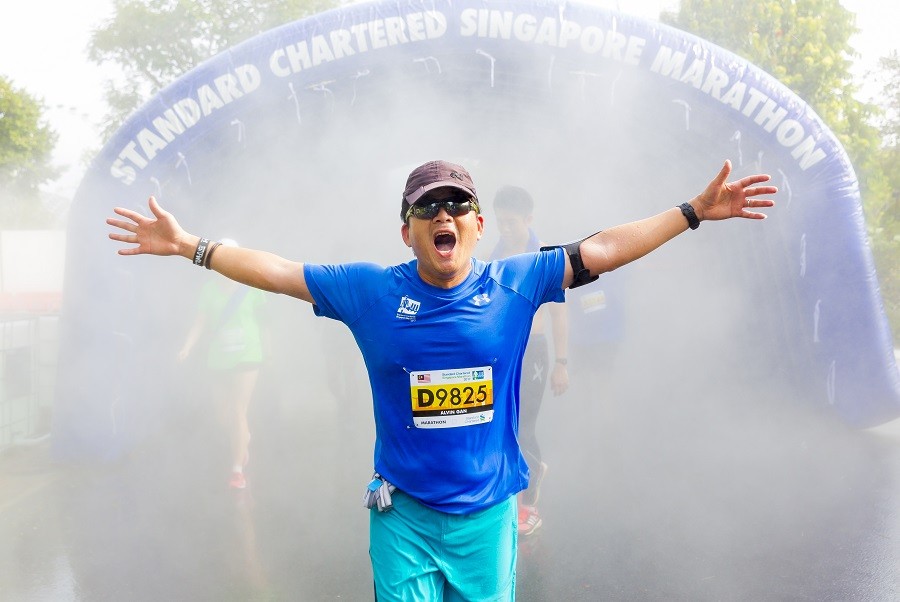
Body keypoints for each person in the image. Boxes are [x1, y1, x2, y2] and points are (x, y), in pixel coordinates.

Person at [107, 159, 775, 601]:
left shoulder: (517, 280)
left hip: (487, 519)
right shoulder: (370, 291)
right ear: (407, 231)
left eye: (458, 204)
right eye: (427, 208)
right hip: (404, 519)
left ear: (478, 225)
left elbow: (601, 249)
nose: (443, 215)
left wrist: (692, 211)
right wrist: (191, 246)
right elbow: (280, 272)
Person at [489, 185, 568, 537]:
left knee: (524, 429)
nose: (505, 229)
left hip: (534, 351)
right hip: (502, 352)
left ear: (529, 218)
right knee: (500, 425)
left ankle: (530, 502)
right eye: (500, 222)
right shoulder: (493, 257)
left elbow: (558, 315)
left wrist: (561, 363)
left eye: (512, 222)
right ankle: (508, 495)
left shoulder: (544, 258)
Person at [177, 238, 268, 490]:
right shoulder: (209, 290)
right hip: (219, 356)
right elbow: (200, 322)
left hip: (248, 355)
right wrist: (187, 347)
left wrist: (269, 350)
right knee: (222, 414)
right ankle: (243, 437)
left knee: (239, 409)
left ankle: (237, 469)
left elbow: (264, 321)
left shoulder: (251, 286)